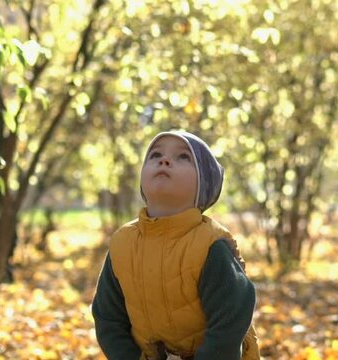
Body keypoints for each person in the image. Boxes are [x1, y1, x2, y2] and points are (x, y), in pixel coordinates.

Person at [92, 130, 260, 360]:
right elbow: (108, 317)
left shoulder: (209, 245)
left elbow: (231, 317)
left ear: (204, 184)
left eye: (183, 157)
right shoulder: (123, 244)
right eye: (155, 155)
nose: (164, 160)